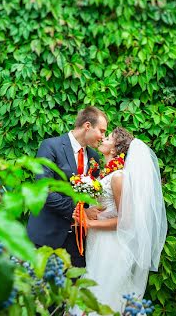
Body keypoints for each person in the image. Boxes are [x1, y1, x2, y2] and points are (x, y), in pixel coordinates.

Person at [78, 127, 167, 315]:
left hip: (111, 245)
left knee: (102, 296)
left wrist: (91, 223)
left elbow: (126, 221)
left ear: (115, 148)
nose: (103, 138)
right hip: (97, 241)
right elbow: (107, 208)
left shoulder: (118, 177)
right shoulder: (106, 174)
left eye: (108, 137)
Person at [27, 106, 108, 267]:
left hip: (77, 243)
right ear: (87, 126)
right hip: (46, 237)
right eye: (102, 131)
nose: (103, 137)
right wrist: (79, 212)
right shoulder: (50, 146)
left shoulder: (94, 157)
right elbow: (44, 191)